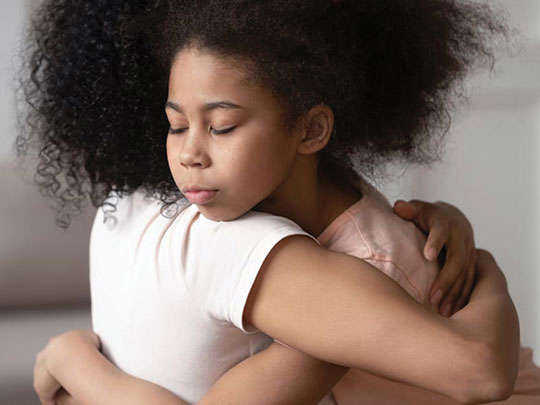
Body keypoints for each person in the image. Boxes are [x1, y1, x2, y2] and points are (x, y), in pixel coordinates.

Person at [19, 0, 538, 403]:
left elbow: (483, 374)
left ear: (311, 130)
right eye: (176, 125)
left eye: (222, 126)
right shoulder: (304, 200)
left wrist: (72, 360)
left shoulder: (357, 270)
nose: (190, 154)